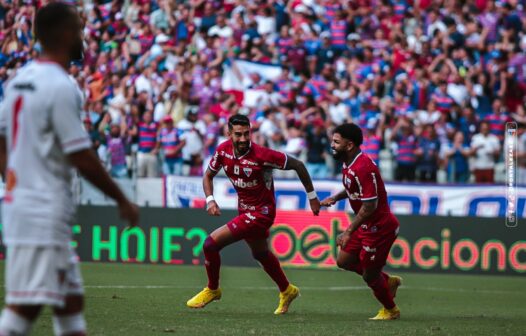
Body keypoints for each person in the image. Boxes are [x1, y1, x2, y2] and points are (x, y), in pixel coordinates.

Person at [0, 3, 139, 336]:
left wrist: (14, 180)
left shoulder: (20, 81)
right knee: (24, 308)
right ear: (63, 33)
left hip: (29, 204)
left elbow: (2, 138)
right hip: (42, 210)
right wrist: (122, 199)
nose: (83, 36)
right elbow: (81, 155)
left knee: (70, 303)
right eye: (78, 29)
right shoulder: (62, 86)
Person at [186, 114, 321, 314]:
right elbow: (208, 175)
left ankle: (213, 289)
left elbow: (298, 165)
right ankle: (287, 290)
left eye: (246, 134)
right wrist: (210, 199)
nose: (243, 139)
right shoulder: (223, 151)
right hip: (245, 210)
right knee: (260, 253)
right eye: (238, 134)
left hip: (262, 213)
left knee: (210, 244)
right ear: (229, 134)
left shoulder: (263, 155)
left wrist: (312, 196)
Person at [320, 123, 401, 320]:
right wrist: (336, 197)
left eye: (336, 142)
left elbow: (370, 206)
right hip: (366, 225)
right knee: (344, 260)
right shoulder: (348, 162)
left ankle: (391, 310)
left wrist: (348, 231)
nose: (332, 145)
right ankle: (387, 281)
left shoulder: (363, 167)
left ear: (349, 145)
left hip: (379, 228)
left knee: (369, 276)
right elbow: (353, 188)